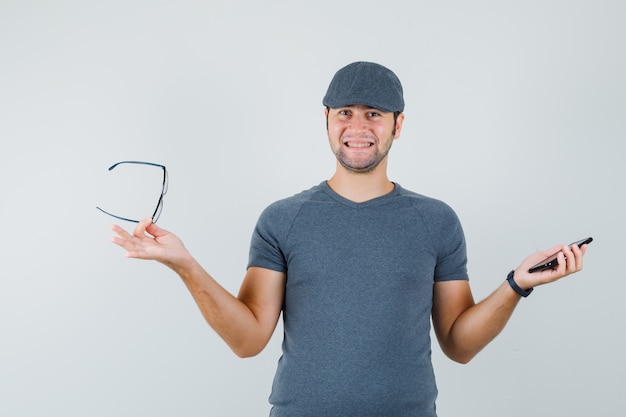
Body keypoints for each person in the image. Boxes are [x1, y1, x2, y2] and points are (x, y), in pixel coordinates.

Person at [109, 61, 589, 417]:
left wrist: (516, 284)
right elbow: (248, 339)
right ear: (326, 119)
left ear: (398, 125)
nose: (357, 127)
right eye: (345, 112)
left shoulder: (436, 221)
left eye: (374, 114)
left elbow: (458, 344)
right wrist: (185, 265)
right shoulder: (283, 219)